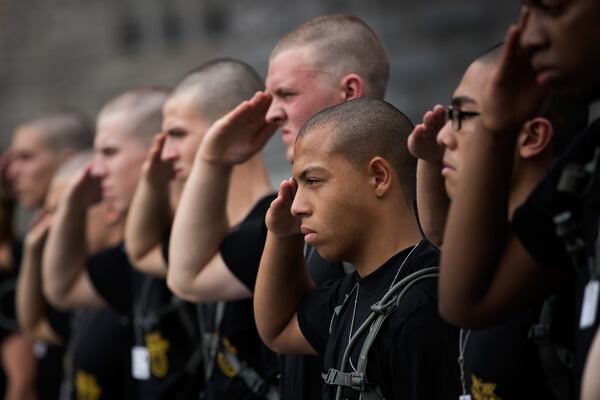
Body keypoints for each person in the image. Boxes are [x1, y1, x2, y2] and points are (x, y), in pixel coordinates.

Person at [166, 14, 390, 400]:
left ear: (349, 91)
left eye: (286, 94)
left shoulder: (420, 208)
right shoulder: (288, 220)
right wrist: (214, 160)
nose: (271, 114)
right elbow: (187, 279)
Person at [433, 1, 600, 396]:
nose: (529, 36)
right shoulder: (589, 165)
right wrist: (496, 126)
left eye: (553, 9)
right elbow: (463, 301)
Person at [254, 98, 459, 400]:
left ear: (378, 177)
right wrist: (282, 236)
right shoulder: (350, 293)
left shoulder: (422, 304)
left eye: (313, 181)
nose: (296, 207)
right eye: (297, 186)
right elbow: (278, 329)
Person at [125, 59, 281, 400]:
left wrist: (212, 160)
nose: (166, 153)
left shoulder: (275, 228)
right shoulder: (205, 237)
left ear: (234, 124)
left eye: (178, 134)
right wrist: (152, 183)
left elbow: (184, 277)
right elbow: (140, 252)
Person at [41, 88, 202, 400]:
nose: (97, 170)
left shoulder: (199, 239)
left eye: (110, 153)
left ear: (160, 149)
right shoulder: (138, 249)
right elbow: (63, 289)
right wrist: (71, 208)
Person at [18, 152, 131, 400]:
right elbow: (34, 326)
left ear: (109, 207)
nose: (52, 225)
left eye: (64, 209)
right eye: (48, 213)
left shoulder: (124, 278)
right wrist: (33, 252)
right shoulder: (89, 281)